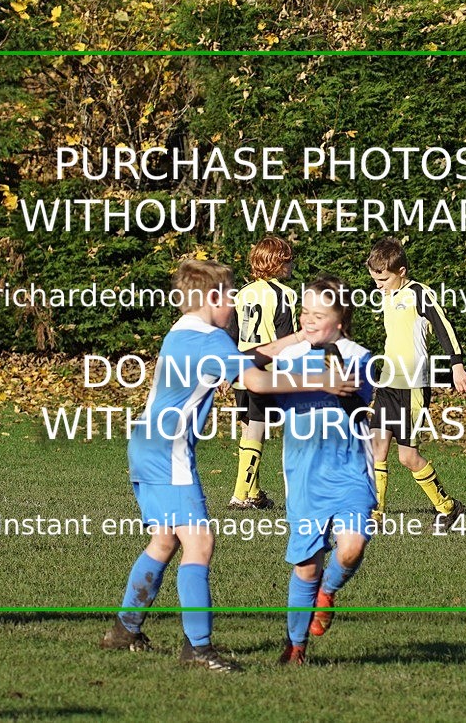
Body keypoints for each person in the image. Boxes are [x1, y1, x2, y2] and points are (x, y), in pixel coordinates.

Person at [100, 259, 354, 672]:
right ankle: (198, 650)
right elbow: (254, 380)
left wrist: (297, 337)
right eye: (232, 295)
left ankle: (125, 631)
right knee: (200, 543)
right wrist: (320, 382)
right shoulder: (211, 341)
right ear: (214, 299)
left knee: (165, 541)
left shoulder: (183, 331)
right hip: (170, 454)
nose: (235, 303)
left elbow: (248, 358)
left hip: (145, 447)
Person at [271, 276, 376, 665]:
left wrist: (330, 377)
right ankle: (296, 647)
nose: (309, 320)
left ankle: (327, 592)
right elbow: (246, 369)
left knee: (351, 548)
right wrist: (291, 343)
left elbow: (352, 392)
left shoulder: (359, 357)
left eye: (319, 314)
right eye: (304, 312)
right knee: (306, 565)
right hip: (303, 474)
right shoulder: (290, 355)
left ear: (341, 318)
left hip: (349, 469)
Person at [365, 237, 466, 531]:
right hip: (388, 381)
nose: (379, 285)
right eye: (375, 279)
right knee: (377, 449)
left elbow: (443, 326)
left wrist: (457, 364)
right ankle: (375, 515)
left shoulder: (418, 293)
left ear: (400, 271)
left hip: (411, 386)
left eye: (383, 279)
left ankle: (449, 508)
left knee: (408, 457)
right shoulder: (389, 295)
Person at [227, 236, 297, 510]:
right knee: (257, 429)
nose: (291, 264)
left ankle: (253, 493)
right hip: (264, 368)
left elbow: (231, 333)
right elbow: (286, 338)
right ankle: (240, 494)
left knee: (248, 428)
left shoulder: (243, 293)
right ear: (276, 263)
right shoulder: (284, 294)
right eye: (287, 259)